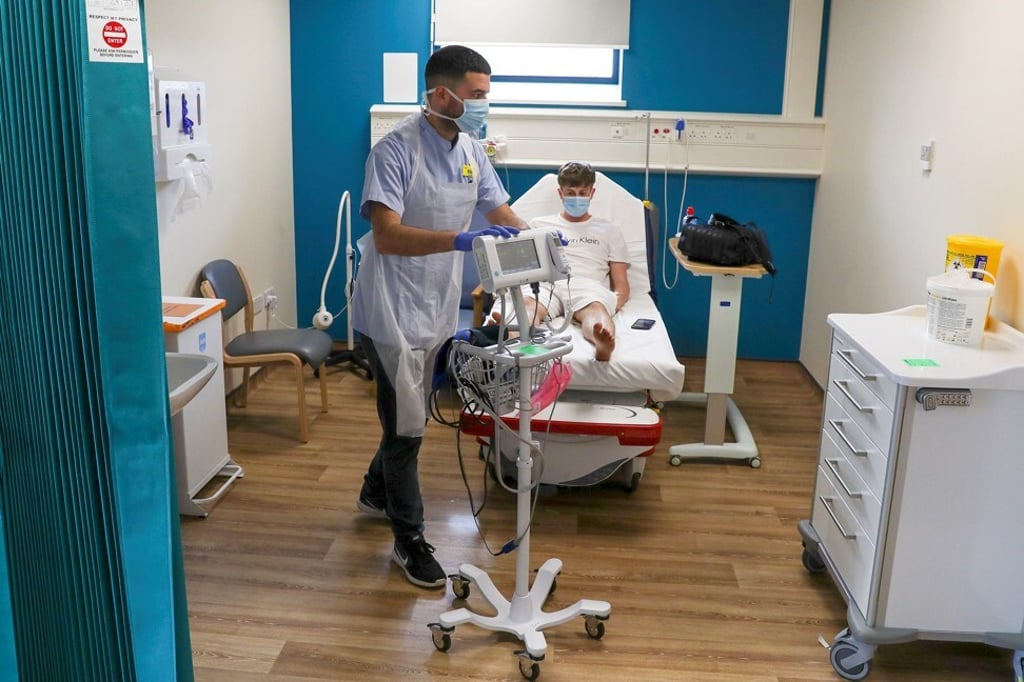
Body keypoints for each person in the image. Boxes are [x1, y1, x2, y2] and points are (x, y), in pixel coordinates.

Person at [351, 45, 527, 589]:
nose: (482, 105)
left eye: (485, 96)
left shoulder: (472, 148)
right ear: (440, 94)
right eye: (475, 96)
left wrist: (543, 241)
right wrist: (459, 238)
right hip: (390, 308)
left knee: (409, 416)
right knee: (407, 429)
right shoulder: (395, 150)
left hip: (434, 306)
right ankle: (410, 540)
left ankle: (375, 491)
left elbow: (500, 212)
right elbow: (386, 234)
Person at [494, 161, 629, 361]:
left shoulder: (609, 230)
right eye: (571, 192)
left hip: (586, 285)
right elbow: (525, 268)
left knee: (596, 310)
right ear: (560, 193)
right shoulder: (539, 225)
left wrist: (613, 301)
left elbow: (621, 283)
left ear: (591, 194)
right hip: (546, 284)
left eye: (583, 193)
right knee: (528, 304)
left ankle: (603, 343)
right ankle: (512, 337)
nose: (577, 198)